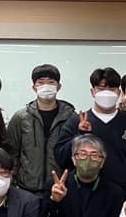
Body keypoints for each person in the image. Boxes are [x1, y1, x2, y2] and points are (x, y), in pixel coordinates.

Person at [53, 67, 126, 189]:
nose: (106, 93)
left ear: (119, 92)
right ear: (92, 92)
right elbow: (61, 158)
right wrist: (79, 135)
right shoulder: (76, 121)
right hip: (85, 193)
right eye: (101, 89)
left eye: (111, 89)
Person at [7, 64, 76, 193]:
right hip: (26, 189)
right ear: (34, 87)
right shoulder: (21, 117)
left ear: (59, 86)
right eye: (41, 82)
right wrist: (12, 182)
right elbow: (11, 153)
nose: (46, 86)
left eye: (51, 82)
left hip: (62, 187)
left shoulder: (71, 117)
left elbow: (75, 154)